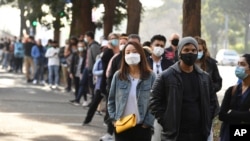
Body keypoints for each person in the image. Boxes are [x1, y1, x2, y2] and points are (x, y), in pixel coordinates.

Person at [150, 37, 219, 141]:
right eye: (186, 50)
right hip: (175, 135)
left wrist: (207, 120)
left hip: (199, 134)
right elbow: (153, 102)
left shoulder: (204, 77)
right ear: (179, 52)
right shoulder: (166, 76)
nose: (190, 53)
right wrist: (167, 121)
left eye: (193, 50)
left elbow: (213, 103)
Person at [108, 41, 156, 141]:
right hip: (122, 126)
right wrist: (114, 120)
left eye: (134, 51)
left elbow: (154, 102)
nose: (131, 55)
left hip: (142, 127)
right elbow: (111, 100)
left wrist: (148, 122)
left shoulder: (150, 76)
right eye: (128, 52)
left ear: (141, 54)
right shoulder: (118, 76)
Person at [194, 36, 222, 141]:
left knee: (208, 134)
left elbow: (218, 82)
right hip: (191, 104)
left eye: (199, 50)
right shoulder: (185, 63)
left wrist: (208, 89)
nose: (197, 53)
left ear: (204, 50)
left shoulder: (211, 64)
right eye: (195, 50)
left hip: (208, 104)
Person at [147, 35, 173, 141]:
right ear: (151, 46)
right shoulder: (143, 62)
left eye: (162, 46)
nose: (159, 47)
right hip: (146, 102)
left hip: (163, 104)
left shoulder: (170, 64)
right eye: (157, 45)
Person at [219, 54, 250, 141]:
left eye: (243, 64)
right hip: (227, 134)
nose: (239, 67)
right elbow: (221, 115)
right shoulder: (232, 90)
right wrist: (244, 115)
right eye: (238, 64)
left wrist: (232, 113)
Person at [69, 41, 87, 105]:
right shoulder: (75, 54)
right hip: (76, 71)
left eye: (81, 46)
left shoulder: (86, 54)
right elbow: (72, 63)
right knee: (76, 85)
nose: (80, 48)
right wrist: (71, 72)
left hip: (83, 72)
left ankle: (85, 99)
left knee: (83, 86)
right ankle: (77, 99)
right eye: (79, 46)